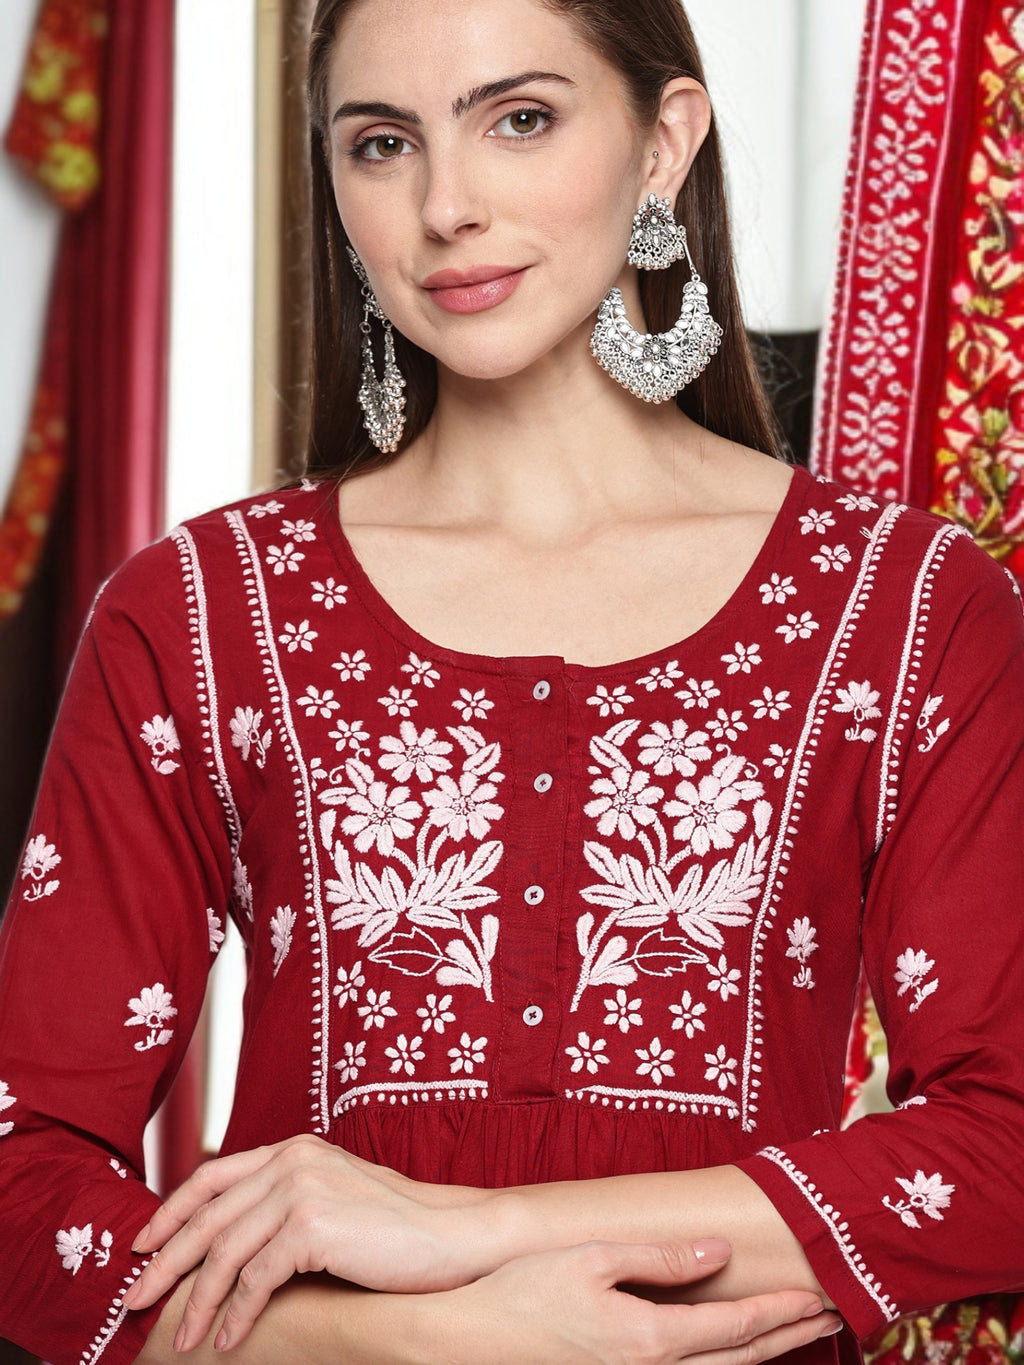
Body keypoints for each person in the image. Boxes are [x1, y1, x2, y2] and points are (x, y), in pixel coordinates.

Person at [1, 0, 1022, 1360]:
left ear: (664, 144)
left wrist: (464, 1233)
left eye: (520, 120)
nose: (446, 206)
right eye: (380, 144)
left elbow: (1007, 1146)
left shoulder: (905, 609)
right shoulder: (196, 617)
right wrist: (401, 1339)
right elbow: (22, 1184)